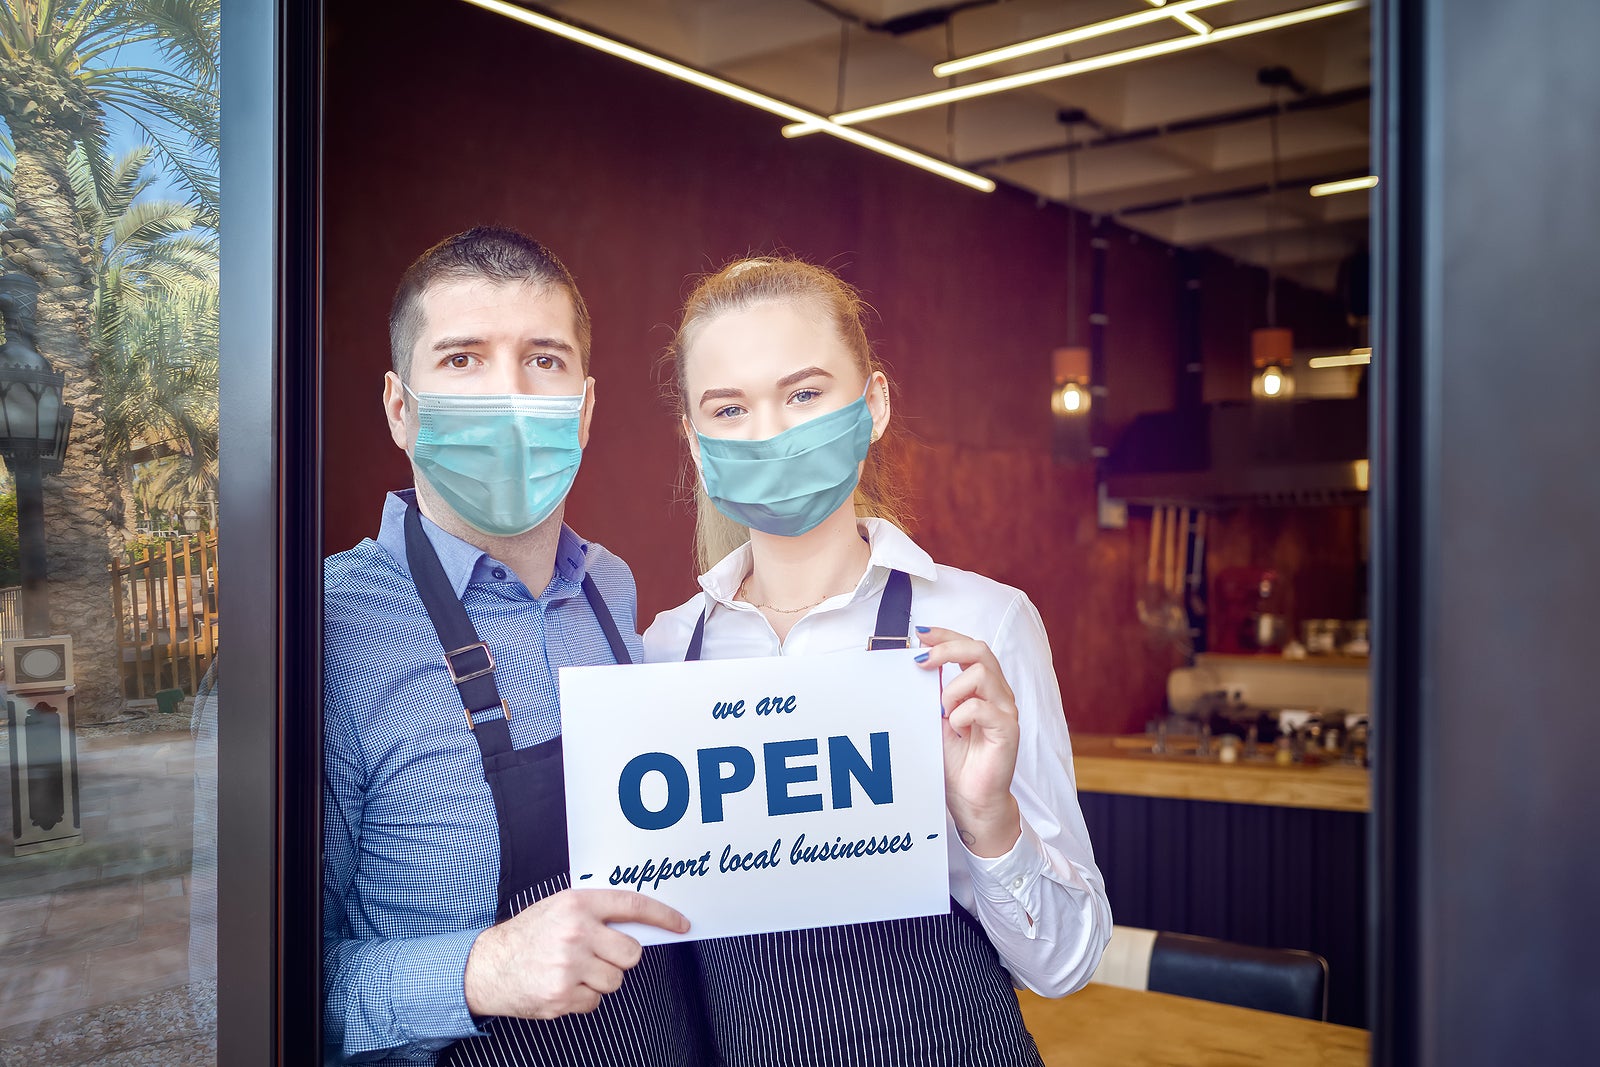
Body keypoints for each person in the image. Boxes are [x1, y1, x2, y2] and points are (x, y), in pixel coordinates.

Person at [644, 256, 1113, 1066]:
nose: (772, 433)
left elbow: (1067, 965)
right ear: (694, 442)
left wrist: (988, 817)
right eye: (729, 407)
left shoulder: (980, 625)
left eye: (803, 394)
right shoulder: (662, 653)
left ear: (874, 405)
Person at [323, 227, 705, 1065]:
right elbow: (259, 993)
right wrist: (479, 970)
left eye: (543, 359)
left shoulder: (611, 588)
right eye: (462, 360)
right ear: (399, 407)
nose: (507, 393)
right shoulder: (328, 633)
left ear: (586, 406)